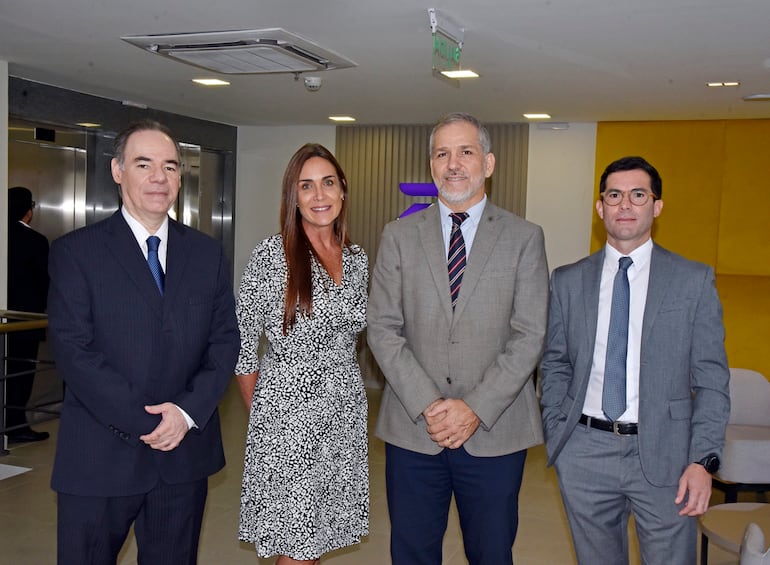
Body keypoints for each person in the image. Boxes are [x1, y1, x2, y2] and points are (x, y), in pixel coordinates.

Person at [46, 119, 240, 564]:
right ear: (117, 171)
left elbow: (224, 342)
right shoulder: (77, 253)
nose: (159, 177)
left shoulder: (206, 254)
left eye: (170, 166)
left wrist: (185, 414)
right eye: (144, 164)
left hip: (182, 458)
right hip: (99, 458)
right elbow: (74, 352)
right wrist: (147, 421)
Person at [367, 112, 549, 564]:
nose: (453, 164)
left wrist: (474, 408)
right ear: (431, 166)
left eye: (465, 152)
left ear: (487, 163)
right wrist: (430, 405)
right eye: (442, 154)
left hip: (494, 429)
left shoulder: (524, 238)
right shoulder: (399, 236)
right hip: (414, 428)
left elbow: (530, 335)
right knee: (412, 551)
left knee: (490, 552)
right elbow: (382, 327)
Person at [540, 155, 730, 564]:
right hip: (585, 451)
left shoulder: (692, 280)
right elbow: (555, 363)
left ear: (656, 206)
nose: (625, 205)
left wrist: (703, 461)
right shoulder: (568, 280)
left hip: (667, 454)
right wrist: (559, 431)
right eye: (614, 195)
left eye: (638, 195)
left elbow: (712, 380)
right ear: (600, 207)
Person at [235, 143, 369, 565]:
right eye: (305, 186)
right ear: (293, 196)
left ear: (342, 189)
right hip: (287, 419)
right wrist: (265, 420)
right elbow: (242, 348)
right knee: (297, 546)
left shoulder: (357, 259)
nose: (318, 196)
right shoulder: (270, 257)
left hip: (344, 412)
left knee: (319, 538)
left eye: (328, 183)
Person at [5, 186, 50, 443]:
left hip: (5, 321)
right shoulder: (35, 242)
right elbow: (45, 283)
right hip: (25, 321)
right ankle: (15, 426)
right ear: (28, 211)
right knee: (20, 376)